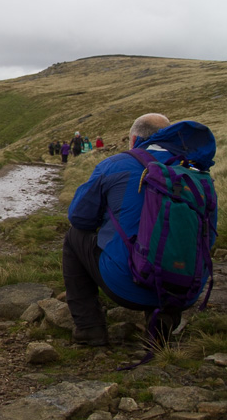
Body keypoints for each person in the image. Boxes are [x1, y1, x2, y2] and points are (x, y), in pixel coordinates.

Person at [62, 113, 218, 346]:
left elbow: (79, 218)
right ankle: (164, 323)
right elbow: (208, 238)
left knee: (74, 236)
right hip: (185, 289)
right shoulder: (194, 173)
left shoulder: (115, 164)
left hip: (126, 286)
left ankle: (89, 327)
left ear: (134, 140)